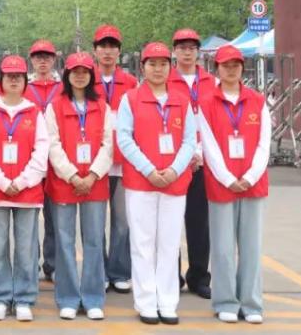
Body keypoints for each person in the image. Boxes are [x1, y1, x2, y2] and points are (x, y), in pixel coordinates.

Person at [117, 42, 197, 326]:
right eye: (152, 64)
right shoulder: (130, 99)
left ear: (170, 67)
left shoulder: (182, 101)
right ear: (143, 67)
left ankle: (168, 301)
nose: (158, 69)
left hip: (174, 183)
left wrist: (175, 169)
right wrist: (149, 170)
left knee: (169, 244)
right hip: (142, 182)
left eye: (163, 63)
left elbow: (190, 140)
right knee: (142, 243)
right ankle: (146, 301)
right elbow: (124, 138)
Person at [197, 45, 270, 325]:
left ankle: (251, 303)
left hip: (253, 184)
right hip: (221, 184)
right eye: (225, 65)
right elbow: (209, 146)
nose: (231, 70)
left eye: (236, 65)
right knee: (223, 248)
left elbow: (264, 143)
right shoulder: (207, 102)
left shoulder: (257, 101)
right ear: (217, 68)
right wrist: (228, 178)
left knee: (251, 247)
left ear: (242, 68)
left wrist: (250, 176)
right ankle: (226, 301)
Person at [0, 55, 49, 322]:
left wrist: (22, 181)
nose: (14, 80)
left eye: (19, 76)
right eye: (9, 76)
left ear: (25, 81)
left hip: (27, 192)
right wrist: (2, 181)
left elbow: (41, 150)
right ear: (2, 80)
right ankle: (1, 296)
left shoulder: (34, 112)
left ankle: (24, 298)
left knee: (26, 248)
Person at [45, 52, 113, 321]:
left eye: (85, 71)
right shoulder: (55, 107)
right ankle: (68, 298)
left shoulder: (103, 107)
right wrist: (73, 176)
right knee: (64, 242)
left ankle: (93, 297)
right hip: (64, 183)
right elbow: (52, 145)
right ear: (67, 75)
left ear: (91, 75)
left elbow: (108, 144)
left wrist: (93, 175)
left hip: (95, 183)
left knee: (94, 240)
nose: (80, 75)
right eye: (75, 71)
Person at [168, 28, 216, 300]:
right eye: (182, 47)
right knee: (171, 222)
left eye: (191, 48)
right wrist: (184, 156)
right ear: (174, 51)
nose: (187, 52)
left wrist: (202, 153)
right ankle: (171, 276)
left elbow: (216, 121)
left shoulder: (211, 82)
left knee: (200, 223)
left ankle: (199, 276)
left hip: (204, 161)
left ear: (198, 51)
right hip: (175, 162)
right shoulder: (165, 80)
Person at [92, 24, 138, 295]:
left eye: (112, 46)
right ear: (95, 51)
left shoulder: (130, 83)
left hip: (122, 162)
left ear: (119, 51)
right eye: (103, 46)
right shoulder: (86, 80)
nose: (107, 51)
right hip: (96, 161)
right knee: (96, 222)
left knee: (122, 221)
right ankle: (98, 270)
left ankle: (119, 271)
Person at [25, 39, 61, 283]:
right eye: (38, 56)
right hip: (30, 160)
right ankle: (31, 262)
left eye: (47, 56)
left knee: (54, 216)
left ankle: (53, 263)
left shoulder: (63, 88)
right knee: (29, 217)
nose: (42, 61)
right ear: (32, 60)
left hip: (56, 160)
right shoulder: (24, 88)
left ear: (54, 59)